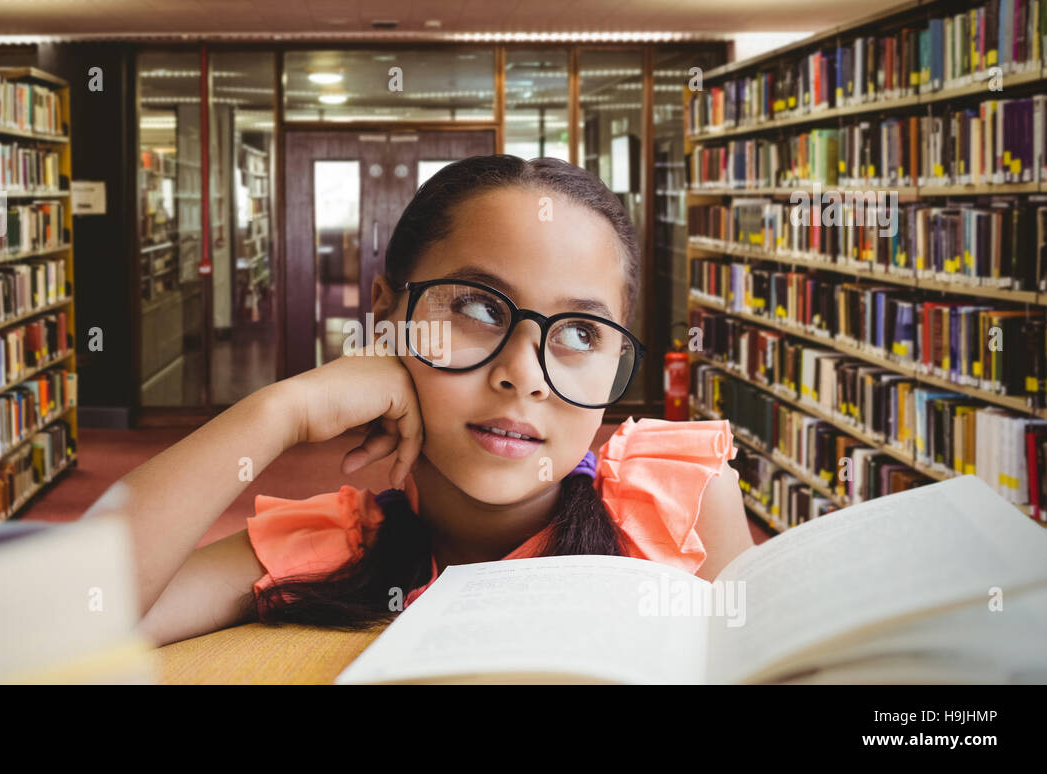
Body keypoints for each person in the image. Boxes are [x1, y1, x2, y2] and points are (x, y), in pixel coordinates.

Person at [86, 155, 752, 646]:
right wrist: (278, 413)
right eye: (476, 307)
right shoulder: (338, 549)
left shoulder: (680, 509)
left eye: (580, 331)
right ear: (388, 315)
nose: (525, 375)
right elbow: (65, 620)